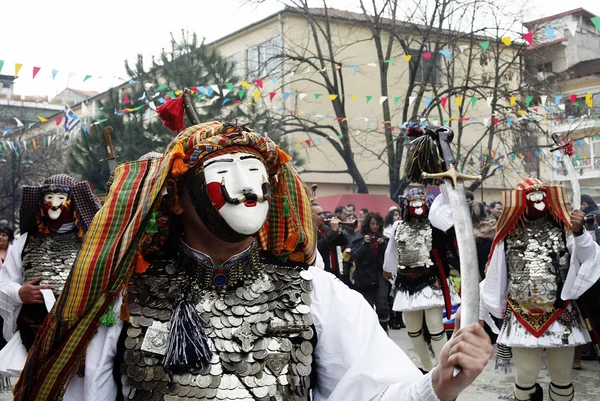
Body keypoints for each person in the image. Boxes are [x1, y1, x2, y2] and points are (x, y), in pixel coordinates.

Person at [15, 120, 493, 401]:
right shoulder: (124, 298)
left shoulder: (317, 292)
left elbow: (372, 392)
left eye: (255, 173)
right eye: (225, 172)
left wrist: (436, 385)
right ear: (177, 199)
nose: (247, 186)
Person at [479, 178, 600, 401]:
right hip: (520, 315)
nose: (538, 201)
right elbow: (495, 276)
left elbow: (589, 259)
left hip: (561, 315)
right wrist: (488, 313)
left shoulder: (565, 228)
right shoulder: (506, 234)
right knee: (524, 382)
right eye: (532, 197)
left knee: (562, 383)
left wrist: (580, 233)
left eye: (541, 196)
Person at [0, 174, 101, 378]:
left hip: (83, 335)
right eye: (49, 198)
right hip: (34, 336)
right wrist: (19, 293)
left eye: (61, 198)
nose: (54, 205)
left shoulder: (91, 241)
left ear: (73, 202)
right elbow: (4, 281)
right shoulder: (26, 240)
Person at [383, 188, 460, 372]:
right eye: (413, 203)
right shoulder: (397, 227)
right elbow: (392, 252)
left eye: (421, 202)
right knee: (413, 329)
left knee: (435, 326)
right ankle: (428, 367)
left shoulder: (435, 225)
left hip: (431, 280)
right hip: (406, 282)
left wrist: (446, 184)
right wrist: (388, 270)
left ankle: (444, 369)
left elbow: (449, 208)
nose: (417, 206)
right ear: (406, 205)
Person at [351, 212, 389, 331]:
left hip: (380, 274)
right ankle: (369, 330)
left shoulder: (384, 238)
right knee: (367, 305)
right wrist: (365, 244)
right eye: (372, 224)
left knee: (382, 304)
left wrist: (383, 244)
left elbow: (389, 256)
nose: (375, 226)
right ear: (368, 224)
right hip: (364, 275)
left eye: (377, 224)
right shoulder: (359, 238)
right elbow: (355, 255)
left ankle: (383, 328)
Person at [313, 203, 347, 278]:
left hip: (334, 270)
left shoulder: (326, 228)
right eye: (319, 214)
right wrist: (332, 231)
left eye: (322, 213)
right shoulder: (310, 231)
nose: (323, 216)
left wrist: (338, 231)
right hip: (322, 271)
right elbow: (319, 246)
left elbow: (343, 242)